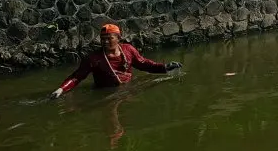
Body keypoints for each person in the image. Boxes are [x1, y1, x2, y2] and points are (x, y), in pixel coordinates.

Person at [49, 24, 182, 99]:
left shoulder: (128, 50)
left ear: (118, 38)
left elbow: (144, 64)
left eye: (109, 38)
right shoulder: (94, 58)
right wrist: (61, 89)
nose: (105, 42)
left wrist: (164, 67)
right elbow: (77, 77)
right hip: (103, 94)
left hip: (127, 91)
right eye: (103, 38)